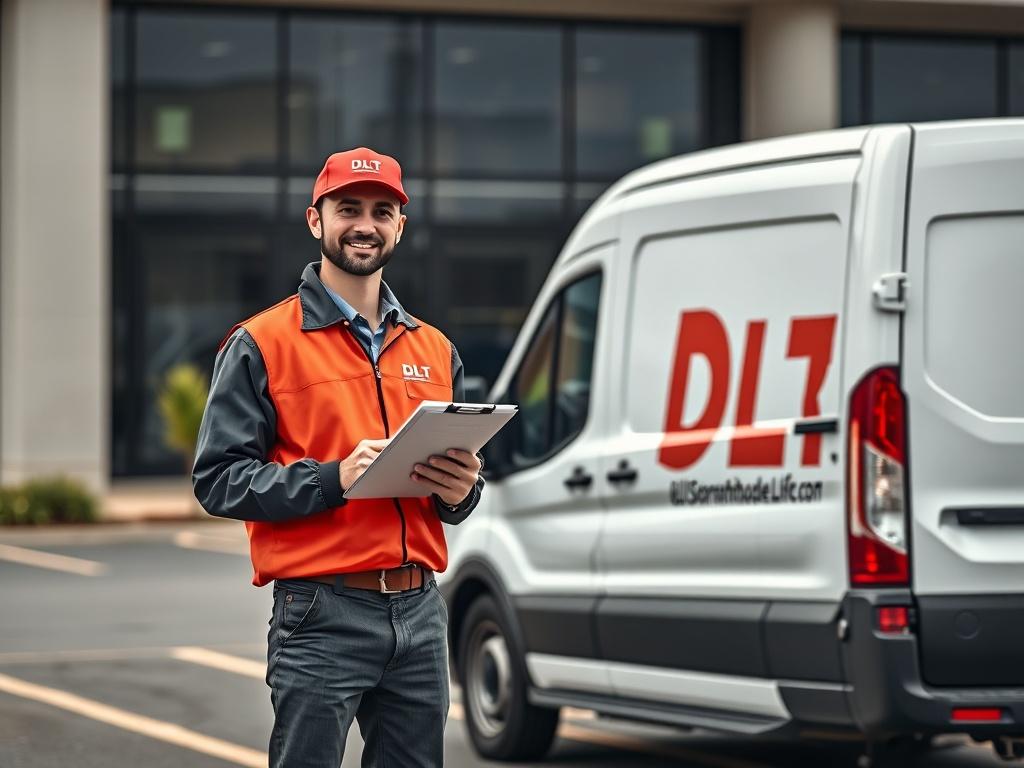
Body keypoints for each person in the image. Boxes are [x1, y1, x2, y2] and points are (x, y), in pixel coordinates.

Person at [192, 147, 484, 768]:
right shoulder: (262, 343)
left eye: (382, 211)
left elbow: (451, 502)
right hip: (321, 611)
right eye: (347, 207)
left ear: (399, 227)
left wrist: (462, 492)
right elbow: (218, 480)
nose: (365, 224)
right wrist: (334, 478)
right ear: (315, 220)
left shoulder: (435, 349)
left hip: (420, 609)